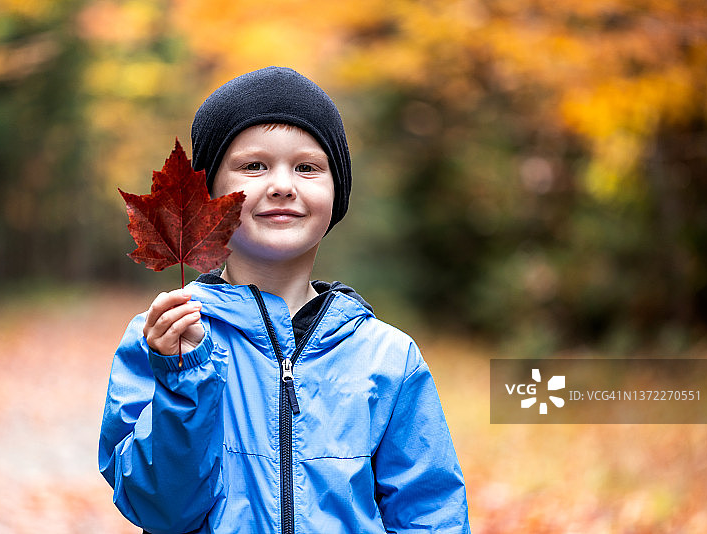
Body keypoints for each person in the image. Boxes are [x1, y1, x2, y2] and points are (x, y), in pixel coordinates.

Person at [99, 66, 470, 534]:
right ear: (208, 195)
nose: (282, 185)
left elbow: (430, 511)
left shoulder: (389, 358)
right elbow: (160, 509)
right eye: (253, 166)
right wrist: (183, 378)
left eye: (307, 167)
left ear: (338, 193)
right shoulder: (165, 340)